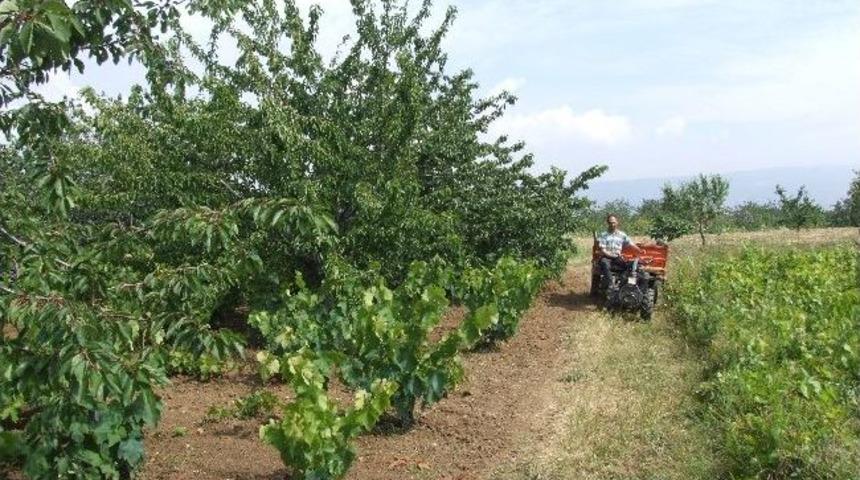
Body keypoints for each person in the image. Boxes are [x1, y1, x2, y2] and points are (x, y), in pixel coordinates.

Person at [597, 214, 642, 289]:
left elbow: (630, 244)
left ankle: (623, 284)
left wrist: (639, 250)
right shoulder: (603, 235)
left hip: (617, 257)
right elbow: (603, 250)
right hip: (606, 257)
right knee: (604, 263)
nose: (612, 224)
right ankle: (611, 284)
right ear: (607, 223)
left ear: (617, 222)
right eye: (610, 223)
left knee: (629, 265)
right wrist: (611, 255)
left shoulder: (622, 235)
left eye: (614, 222)